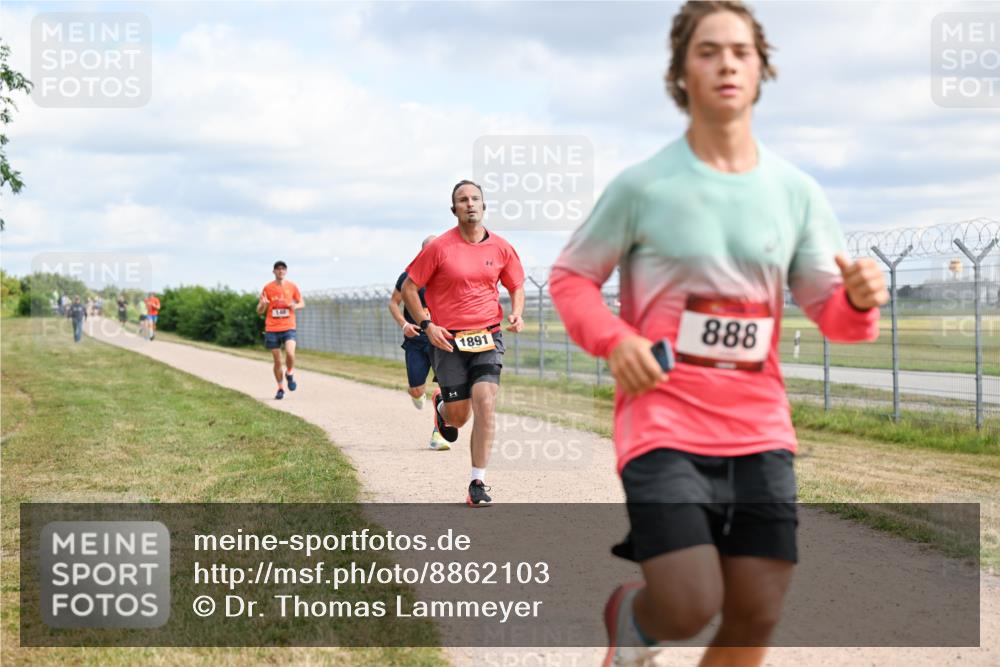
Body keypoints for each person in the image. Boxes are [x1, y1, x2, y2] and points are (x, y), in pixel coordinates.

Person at [548, 3, 890, 666]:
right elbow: (570, 278)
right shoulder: (643, 187)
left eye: (740, 50)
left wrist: (860, 301)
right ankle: (634, 616)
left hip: (759, 429)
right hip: (663, 421)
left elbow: (837, 320)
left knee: (755, 612)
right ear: (681, 71)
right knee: (688, 602)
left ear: (762, 68)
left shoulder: (797, 193)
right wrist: (616, 340)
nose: (726, 62)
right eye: (708, 50)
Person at [402, 180, 525, 506]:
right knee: (459, 418)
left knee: (485, 401)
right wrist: (427, 325)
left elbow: (516, 285)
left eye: (475, 198)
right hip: (447, 341)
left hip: (487, 336)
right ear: (454, 209)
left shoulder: (501, 247)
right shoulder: (439, 248)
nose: (469, 203)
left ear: (483, 206)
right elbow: (411, 289)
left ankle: (477, 483)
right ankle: (442, 409)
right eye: (462, 199)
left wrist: (518, 313)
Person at [389, 235, 451, 451]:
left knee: (446, 389)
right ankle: (416, 392)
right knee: (417, 389)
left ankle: (438, 435)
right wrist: (404, 324)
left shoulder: (447, 275)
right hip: (415, 340)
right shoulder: (408, 277)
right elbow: (394, 304)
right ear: (422, 253)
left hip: (441, 340)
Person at [257, 260, 304, 400]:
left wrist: (295, 306)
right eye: (278, 269)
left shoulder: (292, 286)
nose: (280, 271)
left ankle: (289, 373)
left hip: (289, 326)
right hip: (272, 328)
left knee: (290, 353)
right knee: (277, 361)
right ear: (274, 272)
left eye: (283, 269)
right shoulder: (267, 288)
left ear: (286, 271)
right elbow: (259, 311)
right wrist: (263, 305)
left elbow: (302, 302)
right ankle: (280, 388)